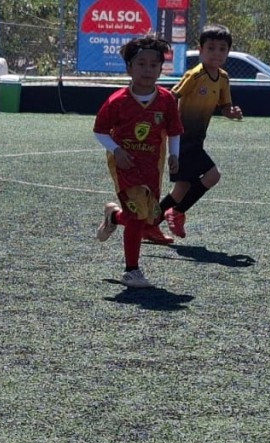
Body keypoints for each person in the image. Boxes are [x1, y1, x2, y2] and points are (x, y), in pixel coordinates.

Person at [93, 35, 183, 289]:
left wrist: (175, 156)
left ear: (160, 68)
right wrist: (116, 150)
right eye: (141, 64)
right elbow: (100, 130)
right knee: (136, 217)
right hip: (125, 165)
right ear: (129, 67)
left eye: (154, 65)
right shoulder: (117, 101)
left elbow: (174, 131)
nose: (148, 70)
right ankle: (132, 271)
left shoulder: (166, 100)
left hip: (151, 165)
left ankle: (113, 217)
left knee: (146, 218)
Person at [156, 24, 244, 241]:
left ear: (228, 52)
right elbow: (172, 96)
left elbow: (225, 106)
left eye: (222, 49)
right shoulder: (195, 75)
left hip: (197, 140)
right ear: (201, 50)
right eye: (211, 48)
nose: (217, 53)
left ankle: (148, 224)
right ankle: (177, 212)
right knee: (213, 175)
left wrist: (231, 112)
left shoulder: (223, 78)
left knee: (181, 189)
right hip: (183, 138)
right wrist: (158, 116)